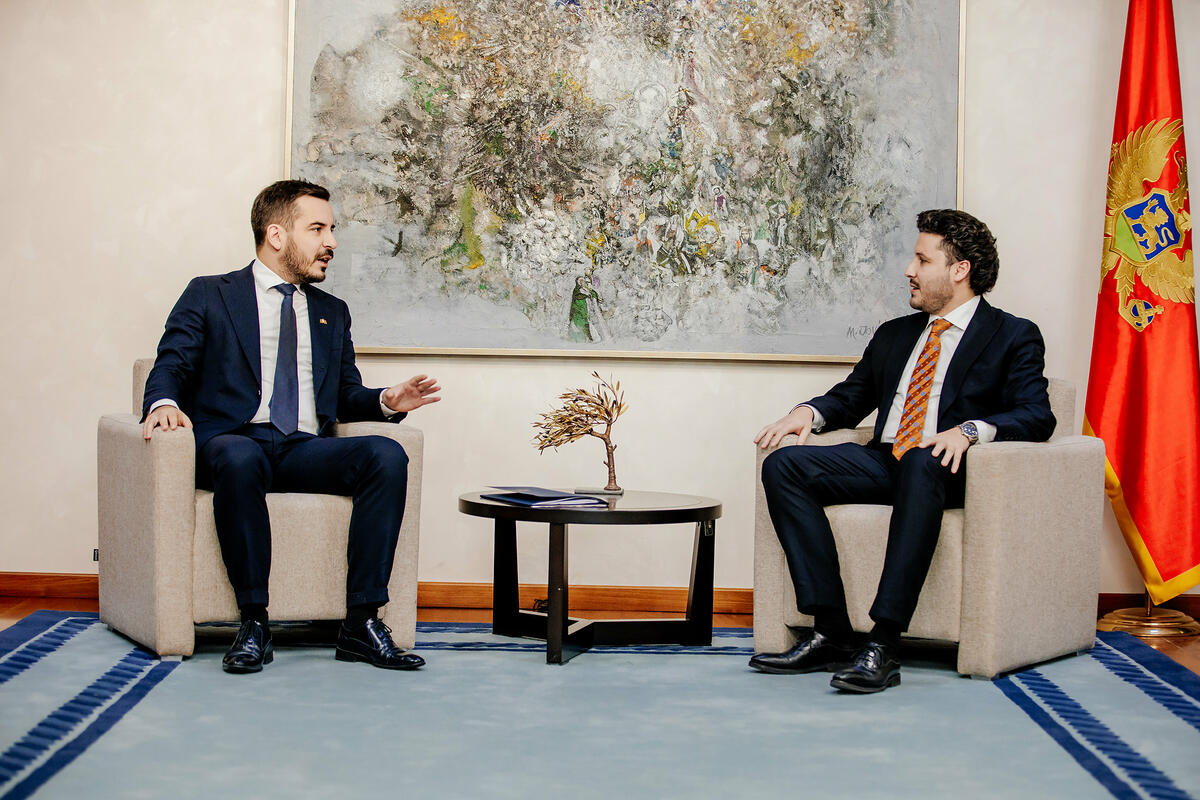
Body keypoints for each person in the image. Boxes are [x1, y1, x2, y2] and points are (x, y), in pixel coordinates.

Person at [141, 180, 441, 675]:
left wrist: (386, 400)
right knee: (239, 456)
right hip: (234, 443)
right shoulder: (211, 294)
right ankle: (254, 623)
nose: (331, 242)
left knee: (386, 455)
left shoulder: (331, 312)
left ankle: (361, 624)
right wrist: (163, 402)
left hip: (301, 448)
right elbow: (172, 362)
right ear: (276, 235)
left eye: (331, 229)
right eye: (317, 229)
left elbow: (344, 394)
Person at [750, 209, 1054, 693]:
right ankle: (831, 631)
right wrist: (809, 412)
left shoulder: (1012, 334)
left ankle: (885, 642)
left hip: (946, 468)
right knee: (785, 465)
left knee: (921, 459)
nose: (909, 270)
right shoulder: (896, 333)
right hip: (885, 460)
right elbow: (853, 396)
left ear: (960, 270)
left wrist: (969, 431)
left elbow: (1037, 415)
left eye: (922, 260)